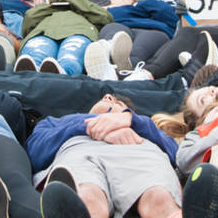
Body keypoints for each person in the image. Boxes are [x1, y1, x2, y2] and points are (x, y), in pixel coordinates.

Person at [25, 93, 187, 218]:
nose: (109, 98)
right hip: (81, 149)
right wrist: (90, 125)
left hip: (138, 151)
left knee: (158, 198)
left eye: (118, 103)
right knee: (88, 198)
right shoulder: (60, 122)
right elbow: (35, 150)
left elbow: (175, 153)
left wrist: (131, 120)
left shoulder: (144, 126)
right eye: (107, 98)